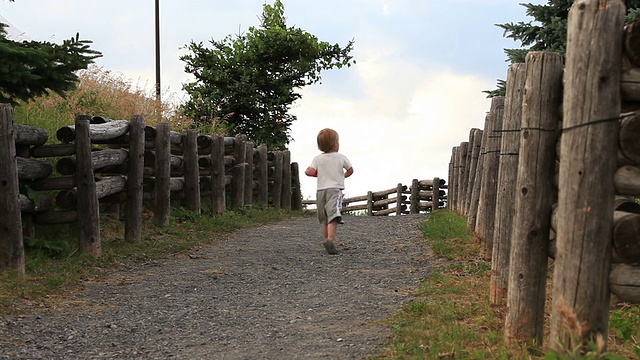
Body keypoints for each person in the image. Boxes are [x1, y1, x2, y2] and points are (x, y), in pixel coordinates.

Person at [305, 128, 353, 255]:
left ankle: (326, 238)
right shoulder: (341, 157)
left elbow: (308, 171)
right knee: (333, 216)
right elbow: (350, 170)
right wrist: (343, 176)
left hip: (321, 190)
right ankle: (330, 239)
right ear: (336, 144)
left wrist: (318, 174)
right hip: (335, 189)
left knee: (325, 217)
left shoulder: (317, 159)